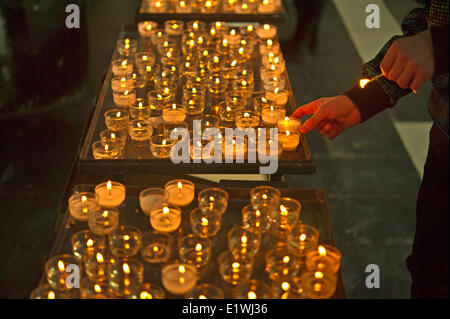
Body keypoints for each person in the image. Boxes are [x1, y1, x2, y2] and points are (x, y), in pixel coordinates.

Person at [291, 0, 448, 298]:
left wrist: (439, 44)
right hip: (444, 141)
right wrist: (363, 98)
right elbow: (431, 19)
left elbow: (434, 38)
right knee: (428, 271)